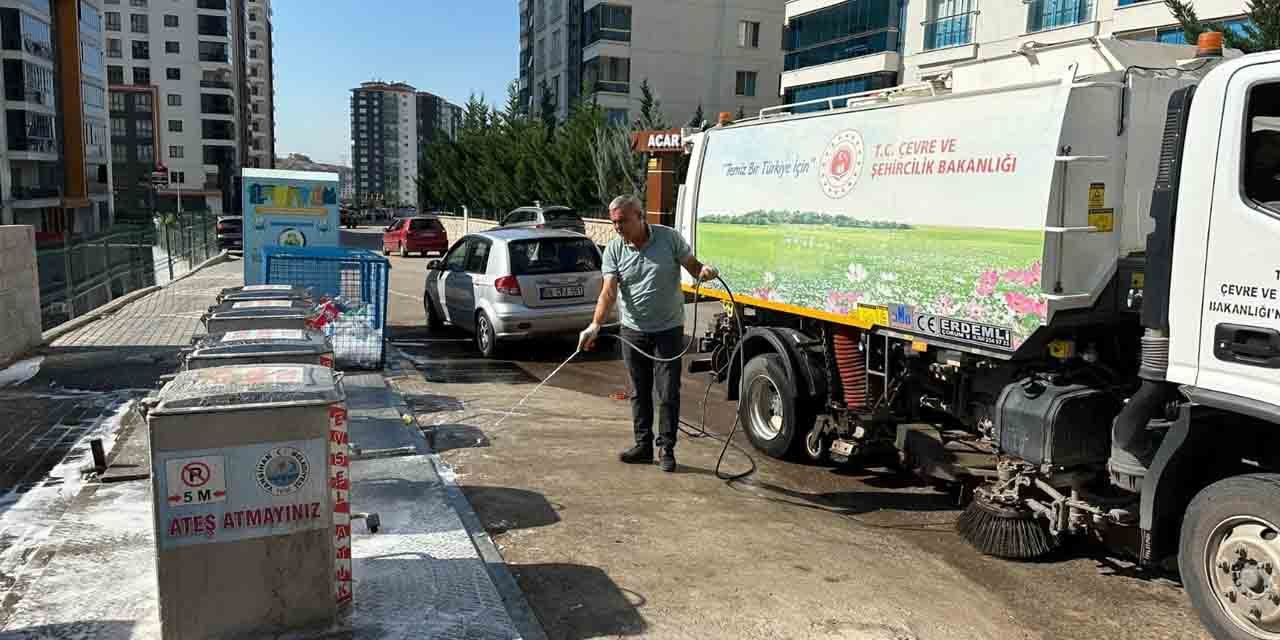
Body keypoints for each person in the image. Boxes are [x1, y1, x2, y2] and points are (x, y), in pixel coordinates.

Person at [579, 195, 718, 472]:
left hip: (668, 329)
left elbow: (692, 265)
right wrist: (595, 324)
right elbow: (608, 292)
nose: (617, 227)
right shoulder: (615, 250)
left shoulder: (668, 239)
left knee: (668, 392)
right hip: (633, 332)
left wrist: (704, 271)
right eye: (613, 222)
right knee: (639, 392)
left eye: (622, 221)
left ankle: (666, 447)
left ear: (640, 216)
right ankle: (643, 446)